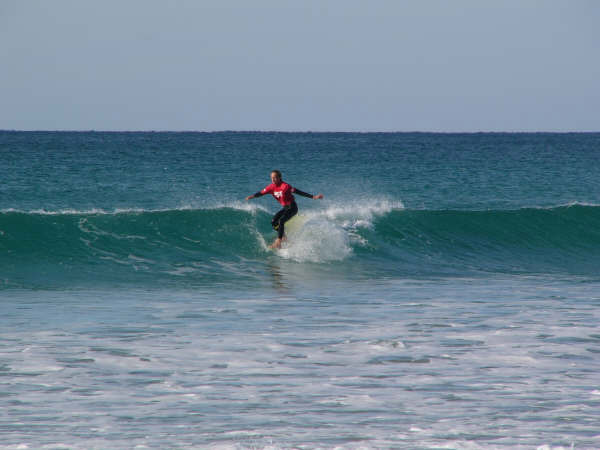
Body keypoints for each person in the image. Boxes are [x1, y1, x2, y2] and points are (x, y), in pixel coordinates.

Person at [246, 170, 323, 248]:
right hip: (285, 208)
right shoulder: (271, 187)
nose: (273, 179)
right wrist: (252, 196)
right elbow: (261, 193)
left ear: (279, 177)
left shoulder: (285, 186)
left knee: (281, 220)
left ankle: (279, 241)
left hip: (292, 207)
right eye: (271, 178)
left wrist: (313, 197)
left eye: (275, 177)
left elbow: (298, 192)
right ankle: (284, 237)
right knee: (274, 222)